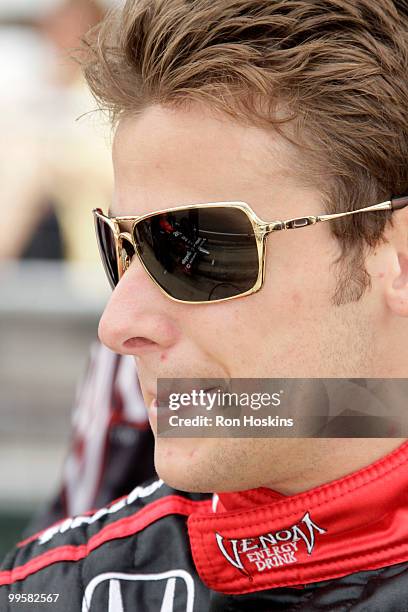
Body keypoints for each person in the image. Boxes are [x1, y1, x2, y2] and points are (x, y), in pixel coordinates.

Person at [1, 0, 408, 610]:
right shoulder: (56, 593)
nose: (118, 325)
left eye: (197, 249)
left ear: (397, 260)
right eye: (121, 246)